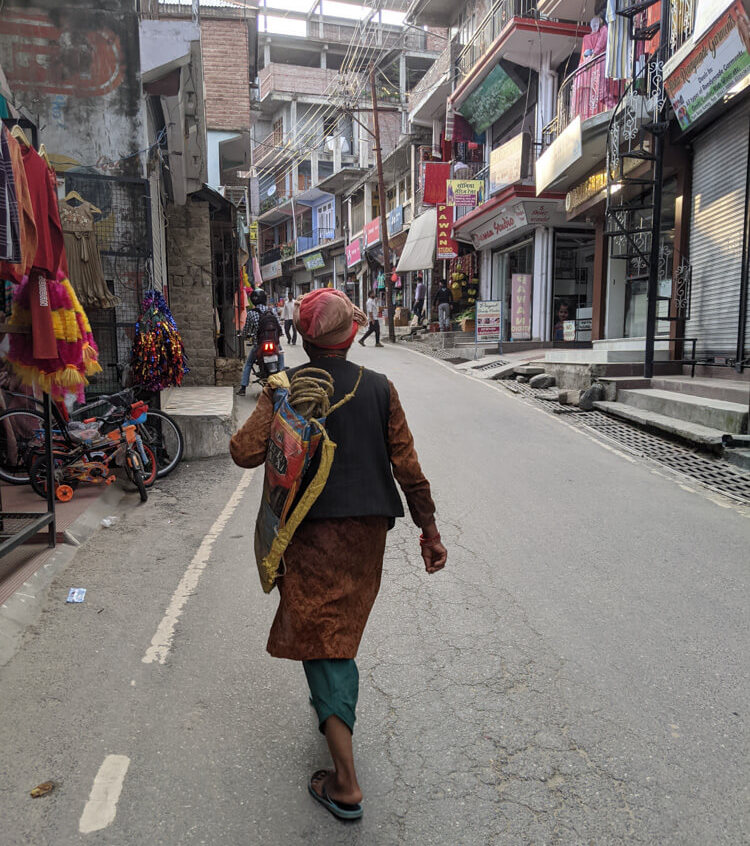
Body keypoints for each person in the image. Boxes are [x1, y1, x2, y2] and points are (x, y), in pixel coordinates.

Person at [230, 288, 447, 822]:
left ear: (302, 339)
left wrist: (274, 404)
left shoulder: (287, 387)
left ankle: (345, 782)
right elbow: (408, 466)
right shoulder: (380, 389)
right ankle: (330, 710)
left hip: (306, 534)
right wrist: (430, 530)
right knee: (336, 630)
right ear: (351, 335)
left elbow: (243, 452)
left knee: (326, 642)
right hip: (366, 532)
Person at [237, 288, 284, 396]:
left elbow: (246, 330)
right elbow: (278, 325)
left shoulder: (251, 313)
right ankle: (283, 379)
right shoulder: (271, 310)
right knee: (281, 355)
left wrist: (242, 335)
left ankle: (243, 388)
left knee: (248, 363)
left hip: (258, 344)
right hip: (274, 343)